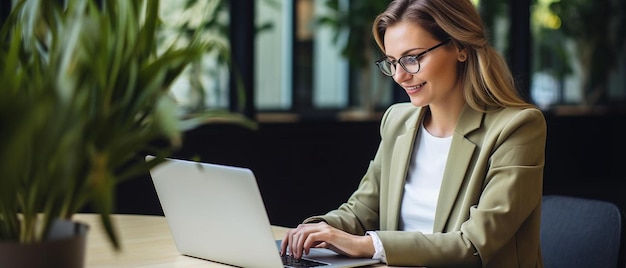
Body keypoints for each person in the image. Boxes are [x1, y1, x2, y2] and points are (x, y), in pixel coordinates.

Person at [280, 0, 546, 267]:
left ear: (461, 47)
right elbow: (362, 212)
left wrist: (367, 245)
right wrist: (318, 229)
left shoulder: (517, 128)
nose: (399, 76)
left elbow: (475, 244)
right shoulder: (398, 121)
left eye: (412, 59)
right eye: (392, 62)